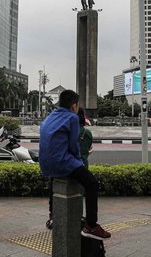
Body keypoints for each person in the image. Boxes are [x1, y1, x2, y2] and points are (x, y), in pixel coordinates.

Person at [39, 89, 110, 240]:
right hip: (62, 163)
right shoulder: (72, 118)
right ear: (74, 106)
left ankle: (53, 214)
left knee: (58, 177)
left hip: (46, 166)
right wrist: (79, 163)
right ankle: (91, 225)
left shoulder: (50, 116)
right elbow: (74, 146)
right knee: (92, 184)